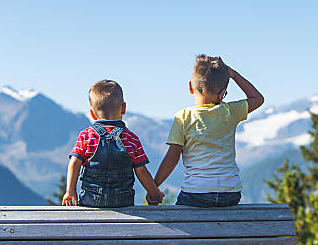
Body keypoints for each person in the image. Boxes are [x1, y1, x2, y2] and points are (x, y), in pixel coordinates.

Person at [152, 55, 264, 207]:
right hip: (230, 193)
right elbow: (258, 98)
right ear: (223, 92)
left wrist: (154, 187)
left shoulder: (183, 117)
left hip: (196, 194)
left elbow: (172, 157)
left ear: (190, 86)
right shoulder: (230, 111)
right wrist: (234, 74)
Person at [62, 80, 164, 207]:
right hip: (122, 201)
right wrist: (154, 192)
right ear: (124, 108)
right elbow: (141, 171)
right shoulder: (131, 138)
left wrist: (70, 191)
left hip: (91, 200)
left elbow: (74, 162)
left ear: (92, 114)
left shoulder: (86, 136)